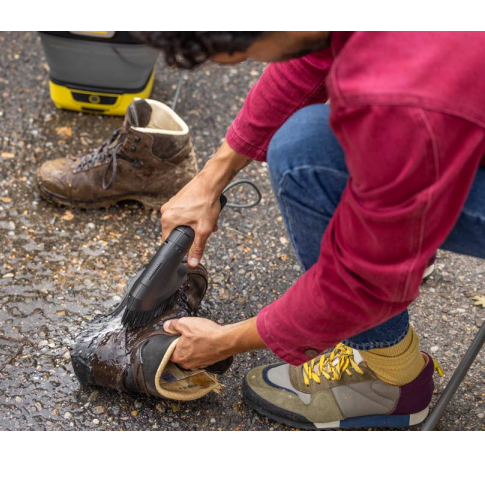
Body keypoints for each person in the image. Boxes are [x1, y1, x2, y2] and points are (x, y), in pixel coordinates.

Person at [135, 31, 485, 429]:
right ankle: (399, 230)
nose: (241, 65)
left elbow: (360, 284)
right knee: (307, 140)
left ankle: (390, 382)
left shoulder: (396, 97)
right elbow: (307, 61)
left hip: (424, 109)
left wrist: (224, 341)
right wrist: (209, 180)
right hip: (448, 104)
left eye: (241, 56)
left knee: (308, 165)